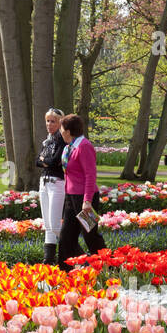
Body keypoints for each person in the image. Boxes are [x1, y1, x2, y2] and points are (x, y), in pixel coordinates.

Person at [57, 113, 106, 268]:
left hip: (85, 198)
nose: (60, 132)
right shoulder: (69, 147)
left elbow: (90, 175)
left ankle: (107, 266)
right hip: (71, 197)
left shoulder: (84, 146)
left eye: (62, 129)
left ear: (69, 131)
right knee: (66, 236)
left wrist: (87, 201)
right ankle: (65, 270)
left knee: (90, 235)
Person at [35, 107, 68, 266]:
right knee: (47, 224)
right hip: (44, 182)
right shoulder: (47, 140)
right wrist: (45, 160)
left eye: (53, 121)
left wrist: (44, 159)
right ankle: (48, 260)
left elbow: (55, 161)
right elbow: (37, 161)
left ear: (60, 122)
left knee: (55, 223)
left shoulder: (62, 140)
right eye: (47, 121)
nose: (49, 124)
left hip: (57, 183)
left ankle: (71, 254)